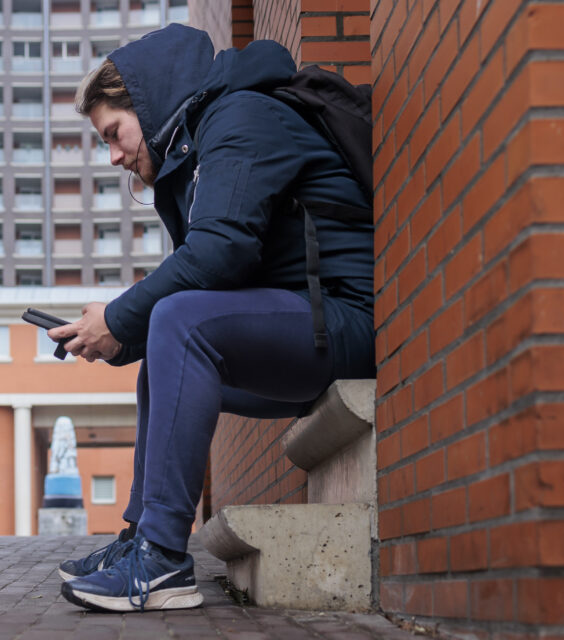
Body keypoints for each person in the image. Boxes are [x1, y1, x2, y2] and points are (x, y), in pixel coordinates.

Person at [49, 24, 376, 612]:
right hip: (302, 325)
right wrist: (114, 340)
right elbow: (210, 277)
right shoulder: (198, 146)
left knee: (181, 323)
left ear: (147, 104)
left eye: (114, 134)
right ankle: (140, 538)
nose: (115, 155)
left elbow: (219, 254)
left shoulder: (242, 117)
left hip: (345, 323)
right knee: (165, 354)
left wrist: (122, 316)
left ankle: (164, 562)